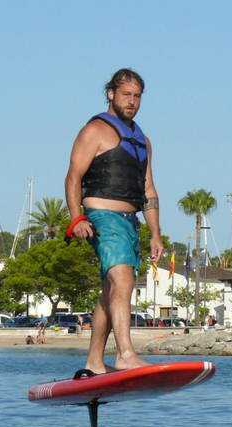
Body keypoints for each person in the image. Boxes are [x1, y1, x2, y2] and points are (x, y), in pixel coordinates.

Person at [64, 68, 164, 374]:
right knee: (123, 281)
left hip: (129, 222)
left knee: (111, 290)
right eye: (125, 95)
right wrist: (76, 217)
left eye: (137, 96)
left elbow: (148, 189)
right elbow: (73, 177)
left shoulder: (143, 141)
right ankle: (125, 354)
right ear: (111, 94)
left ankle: (94, 362)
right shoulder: (95, 130)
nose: (131, 101)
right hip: (102, 217)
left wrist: (155, 235)